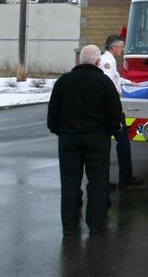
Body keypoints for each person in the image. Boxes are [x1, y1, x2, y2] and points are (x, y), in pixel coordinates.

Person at [47, 45, 122, 235]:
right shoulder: (104, 83)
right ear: (98, 62)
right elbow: (114, 112)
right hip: (97, 139)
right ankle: (96, 223)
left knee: (70, 182)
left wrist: (60, 132)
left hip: (69, 140)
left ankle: (70, 226)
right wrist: (113, 130)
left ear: (80, 60)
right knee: (97, 181)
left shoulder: (63, 82)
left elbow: (52, 115)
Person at [99, 35, 143, 188]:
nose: (122, 50)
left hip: (112, 106)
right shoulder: (107, 62)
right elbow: (108, 84)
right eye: (121, 47)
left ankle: (121, 177)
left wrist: (132, 83)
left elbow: (117, 78)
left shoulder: (109, 60)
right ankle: (124, 178)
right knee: (122, 142)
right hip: (112, 108)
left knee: (121, 142)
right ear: (113, 47)